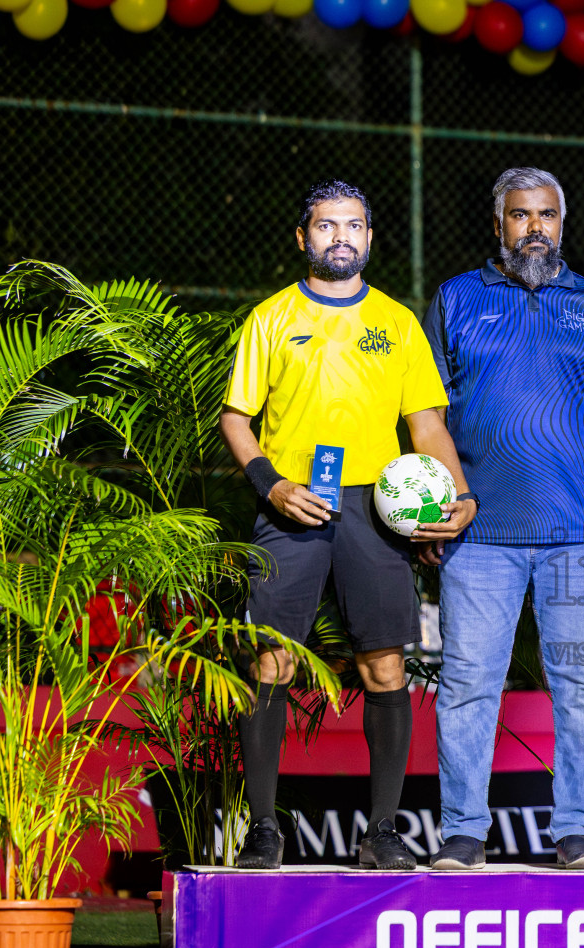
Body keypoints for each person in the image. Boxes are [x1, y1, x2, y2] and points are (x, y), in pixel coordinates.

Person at [221, 179, 475, 871]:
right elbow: (236, 420)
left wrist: (459, 493)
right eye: (327, 225)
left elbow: (426, 424)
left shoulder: (396, 322)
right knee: (271, 662)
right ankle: (264, 829)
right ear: (302, 238)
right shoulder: (271, 318)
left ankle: (383, 832)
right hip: (293, 505)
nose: (342, 236)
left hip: (378, 510)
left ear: (368, 237)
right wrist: (269, 485)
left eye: (354, 225)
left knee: (383, 664)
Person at [424, 167, 584, 872]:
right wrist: (434, 513)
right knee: (466, 684)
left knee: (582, 685)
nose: (535, 228)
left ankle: (578, 832)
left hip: (580, 536)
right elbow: (425, 416)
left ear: (562, 221)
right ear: (499, 224)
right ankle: (462, 832)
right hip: (479, 539)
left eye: (547, 215)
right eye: (520, 216)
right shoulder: (458, 299)